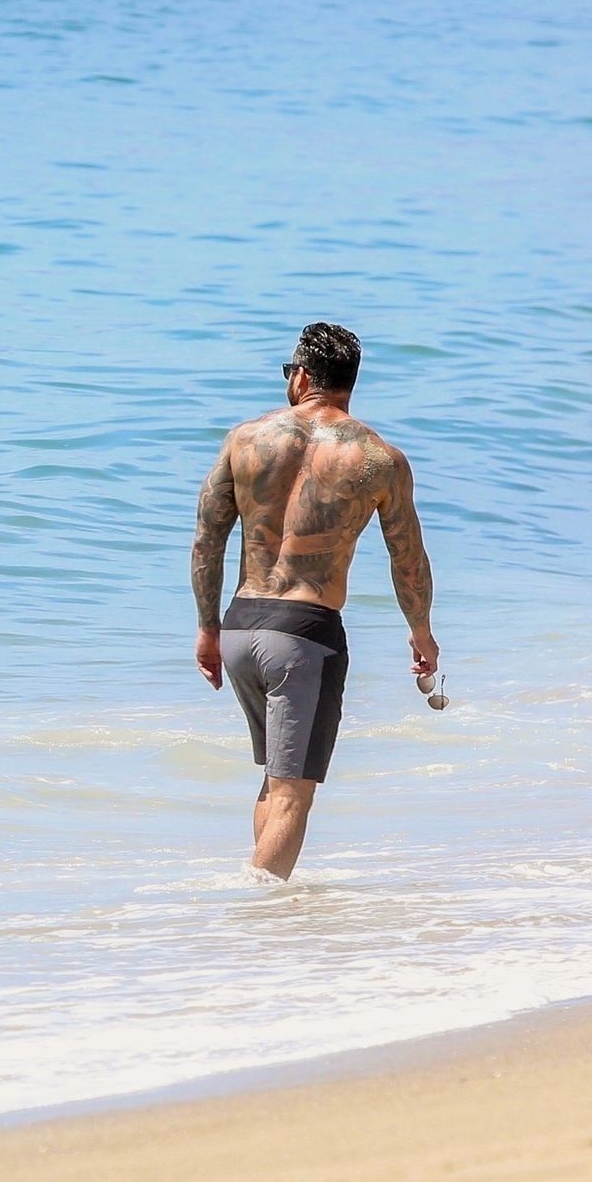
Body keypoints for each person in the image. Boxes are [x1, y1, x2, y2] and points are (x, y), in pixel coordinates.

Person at [190, 324, 438, 880]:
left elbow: (208, 538)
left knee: (276, 783)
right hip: (305, 634)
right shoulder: (379, 458)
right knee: (293, 794)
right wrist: (421, 631)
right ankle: (256, 912)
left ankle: (263, 910)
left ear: (302, 376)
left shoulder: (244, 440)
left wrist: (208, 628)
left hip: (240, 626)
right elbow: (407, 557)